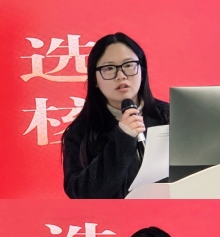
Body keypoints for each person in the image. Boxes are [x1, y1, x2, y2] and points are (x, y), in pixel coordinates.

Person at [61, 33, 169, 199]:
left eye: (129, 65)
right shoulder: (79, 133)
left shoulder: (169, 116)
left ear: (142, 70)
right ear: (95, 80)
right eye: (109, 68)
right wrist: (123, 138)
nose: (121, 75)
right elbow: (81, 194)